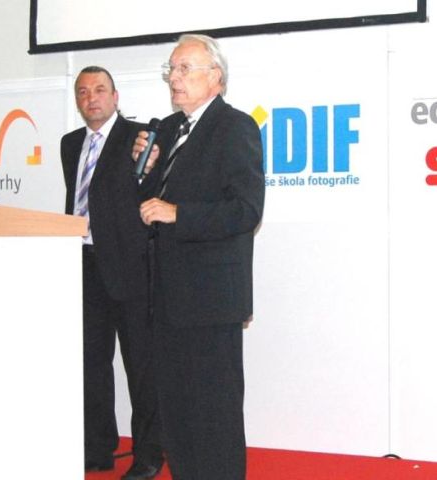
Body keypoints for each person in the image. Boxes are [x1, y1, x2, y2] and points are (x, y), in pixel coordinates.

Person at [132, 34, 265, 480]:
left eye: (185, 68)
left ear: (216, 78)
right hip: (166, 295)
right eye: (171, 69)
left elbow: (245, 210)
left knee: (214, 414)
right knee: (177, 414)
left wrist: (179, 213)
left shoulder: (235, 127)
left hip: (210, 299)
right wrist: (145, 172)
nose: (175, 77)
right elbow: (149, 206)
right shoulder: (169, 130)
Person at [61, 66, 163, 479]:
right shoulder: (70, 144)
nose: (92, 98)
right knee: (90, 364)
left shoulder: (139, 138)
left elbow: (150, 192)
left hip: (130, 268)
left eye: (100, 90)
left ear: (116, 97)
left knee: (141, 366)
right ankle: (97, 448)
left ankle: (148, 455)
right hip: (83, 266)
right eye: (83, 92)